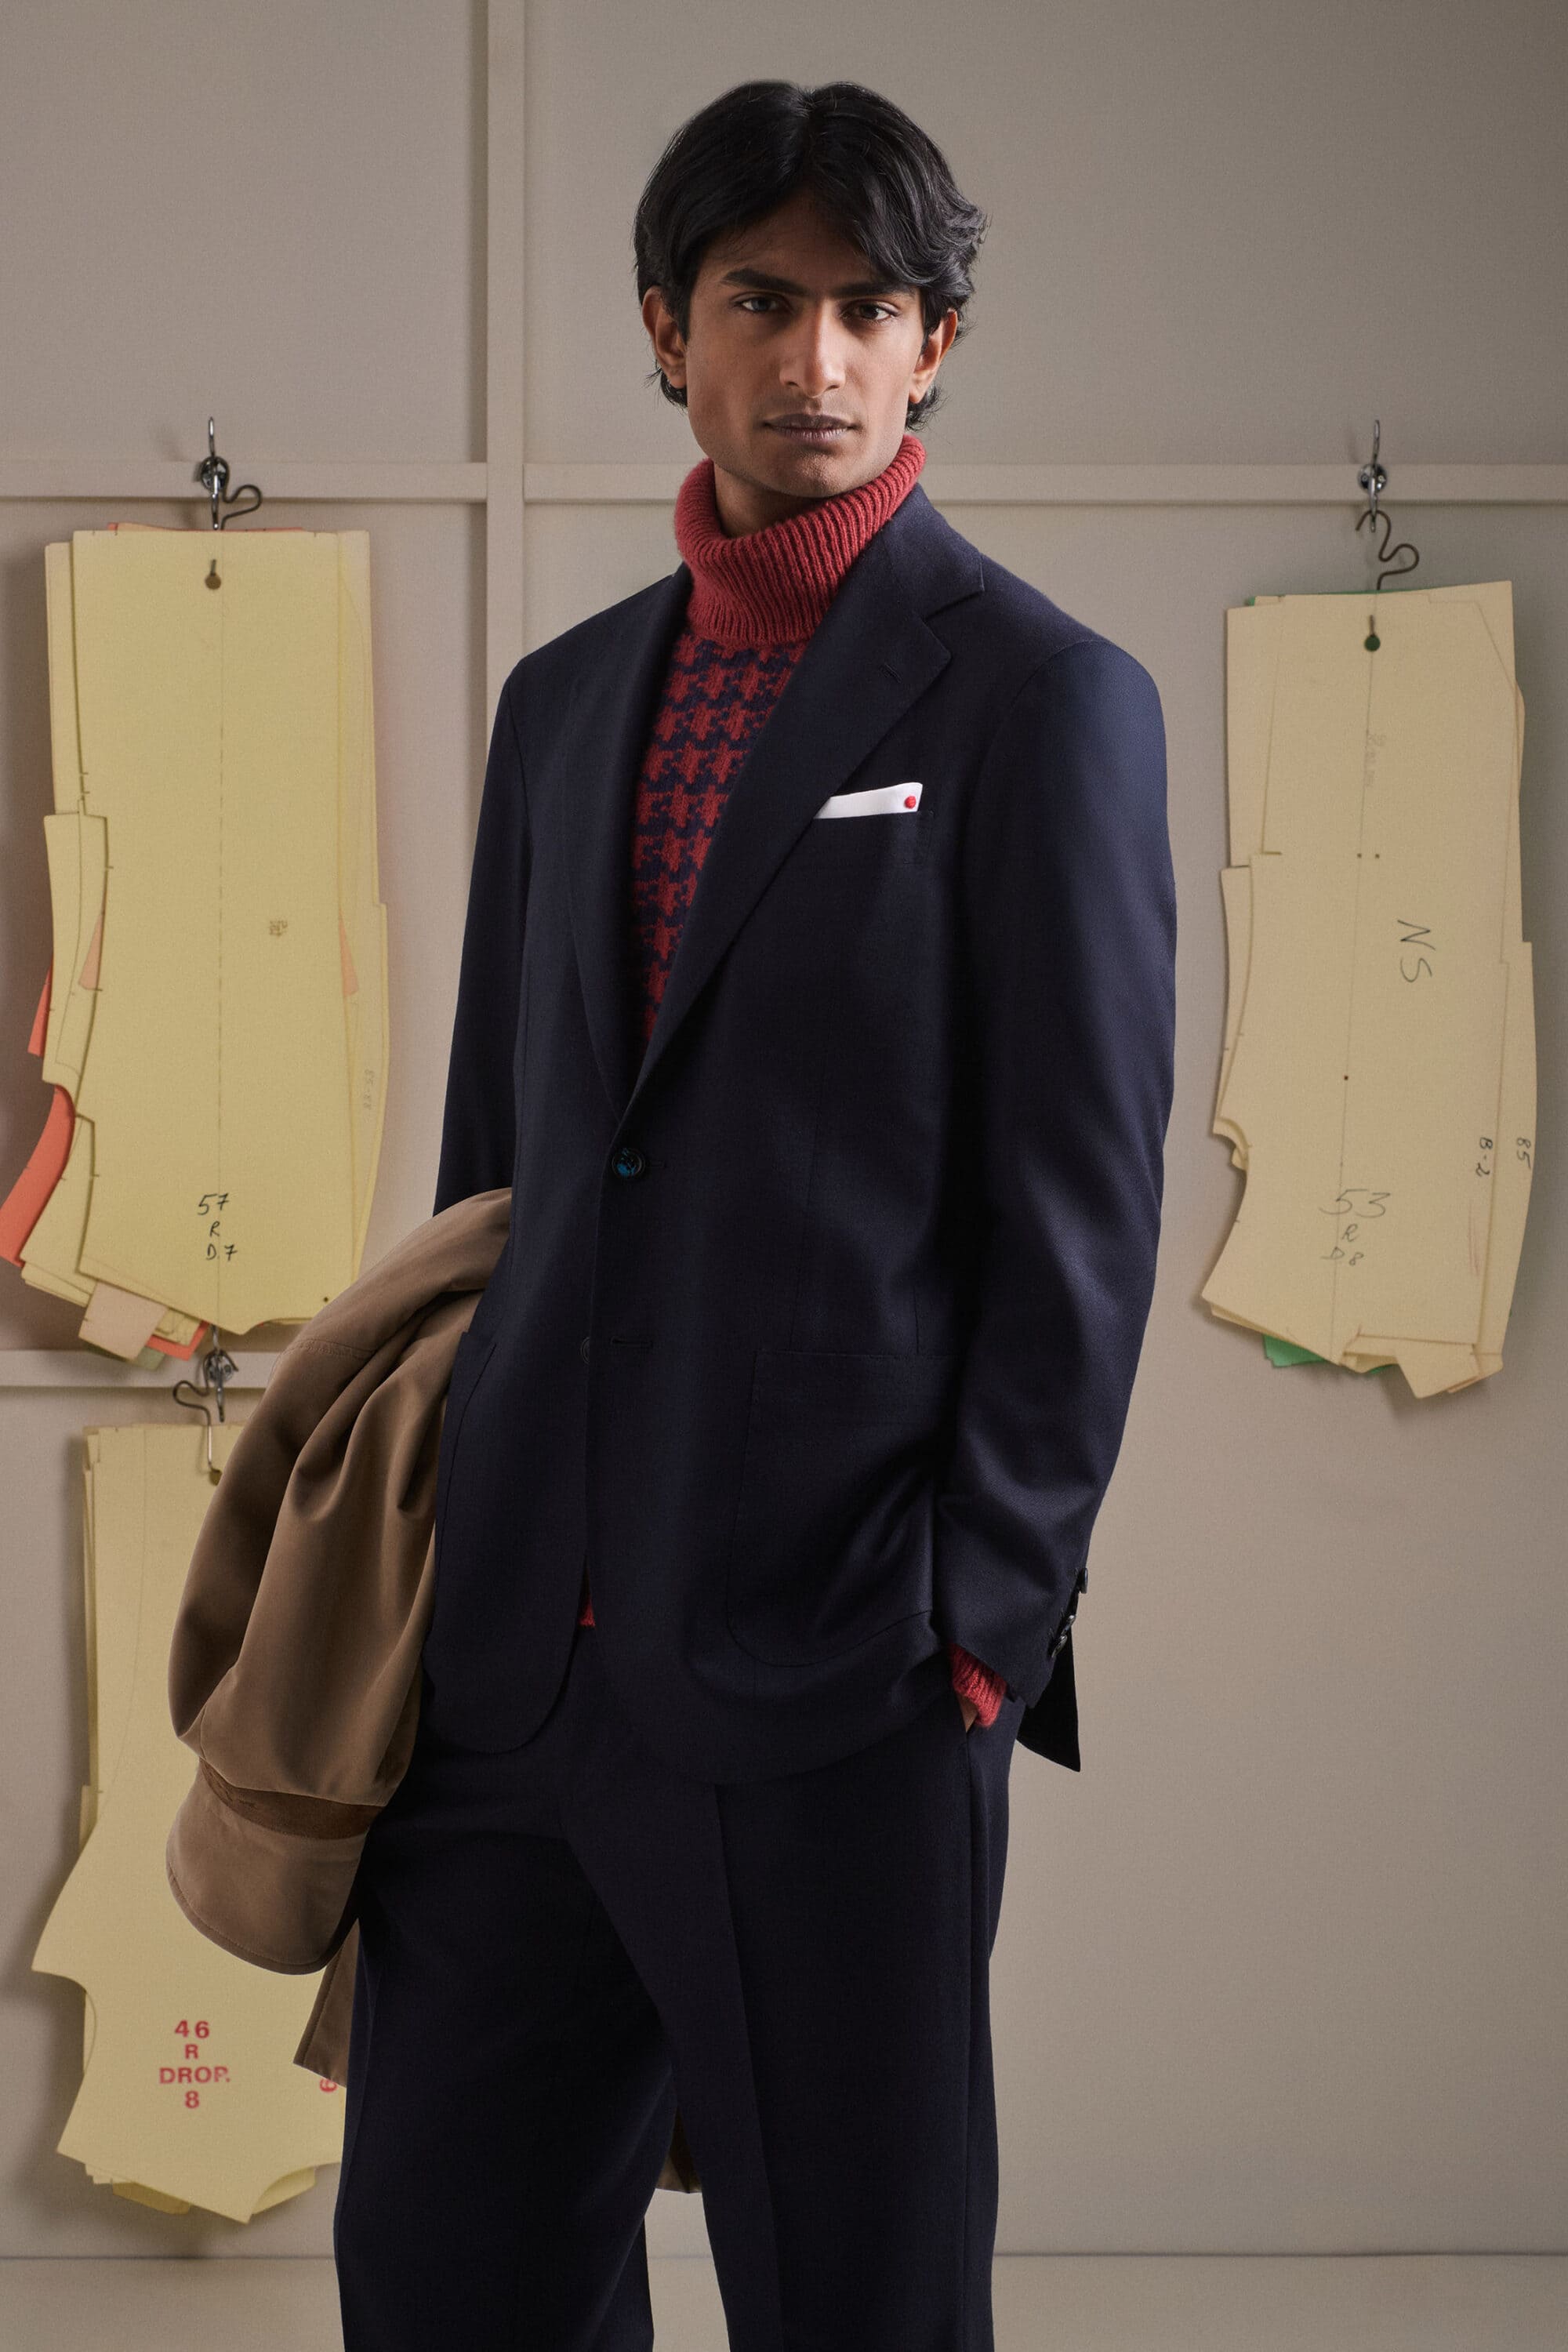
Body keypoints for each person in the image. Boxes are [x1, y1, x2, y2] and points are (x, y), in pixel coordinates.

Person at [333, 77, 1176, 2352]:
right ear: (666, 328)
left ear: (935, 346)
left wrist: (975, 1636)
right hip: (514, 1672)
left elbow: (1080, 1218)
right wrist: (446, 1551)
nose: (817, 358)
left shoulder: (1042, 703)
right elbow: (495, 1182)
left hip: (842, 1675)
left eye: (872, 309)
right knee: (446, 2277)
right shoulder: (562, 706)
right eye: (761, 301)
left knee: (855, 2301)